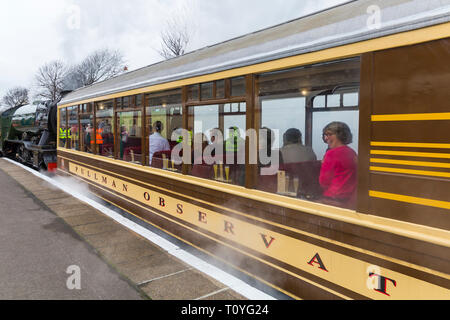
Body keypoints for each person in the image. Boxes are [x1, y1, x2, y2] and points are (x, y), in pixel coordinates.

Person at [319, 122, 357, 208]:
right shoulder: (352, 152)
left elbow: (323, 182)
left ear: (340, 135)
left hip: (333, 199)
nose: (326, 138)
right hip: (349, 200)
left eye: (329, 134)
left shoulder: (330, 154)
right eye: (325, 135)